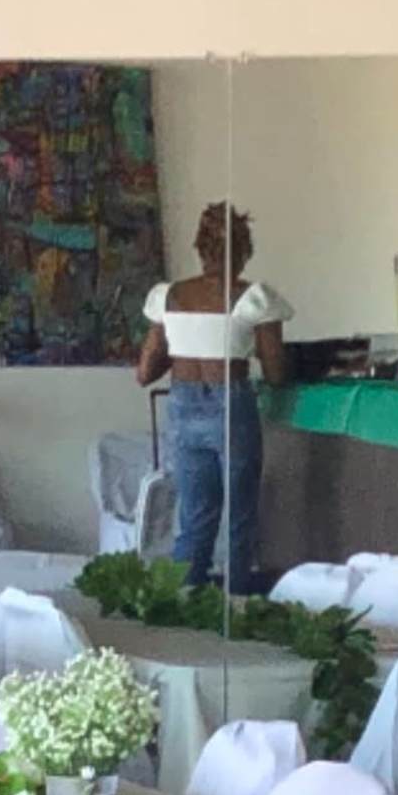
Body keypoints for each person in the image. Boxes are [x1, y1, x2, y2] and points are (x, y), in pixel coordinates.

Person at [136, 202, 288, 594]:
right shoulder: (256, 298)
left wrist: (187, 343)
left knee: (195, 517)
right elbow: (276, 373)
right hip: (232, 406)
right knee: (239, 516)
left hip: (183, 406)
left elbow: (144, 374)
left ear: (200, 249)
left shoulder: (168, 297)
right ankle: (236, 609)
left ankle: (184, 604)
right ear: (244, 252)